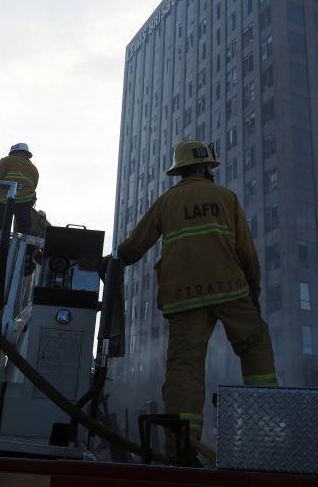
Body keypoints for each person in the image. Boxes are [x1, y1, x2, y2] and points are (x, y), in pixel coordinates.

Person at [107, 140, 277, 446]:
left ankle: (182, 447)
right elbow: (248, 253)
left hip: (184, 296)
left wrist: (112, 261)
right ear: (204, 167)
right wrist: (253, 294)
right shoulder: (225, 198)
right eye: (210, 166)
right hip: (230, 289)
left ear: (180, 170)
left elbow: (133, 248)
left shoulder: (166, 202)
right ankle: (265, 423)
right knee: (255, 345)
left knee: (185, 366)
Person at [0, 143, 38, 234]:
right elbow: (34, 186)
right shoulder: (34, 168)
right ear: (27, 153)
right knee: (23, 232)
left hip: (4, 199)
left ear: (13, 152)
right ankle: (21, 247)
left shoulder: (7, 160)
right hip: (25, 202)